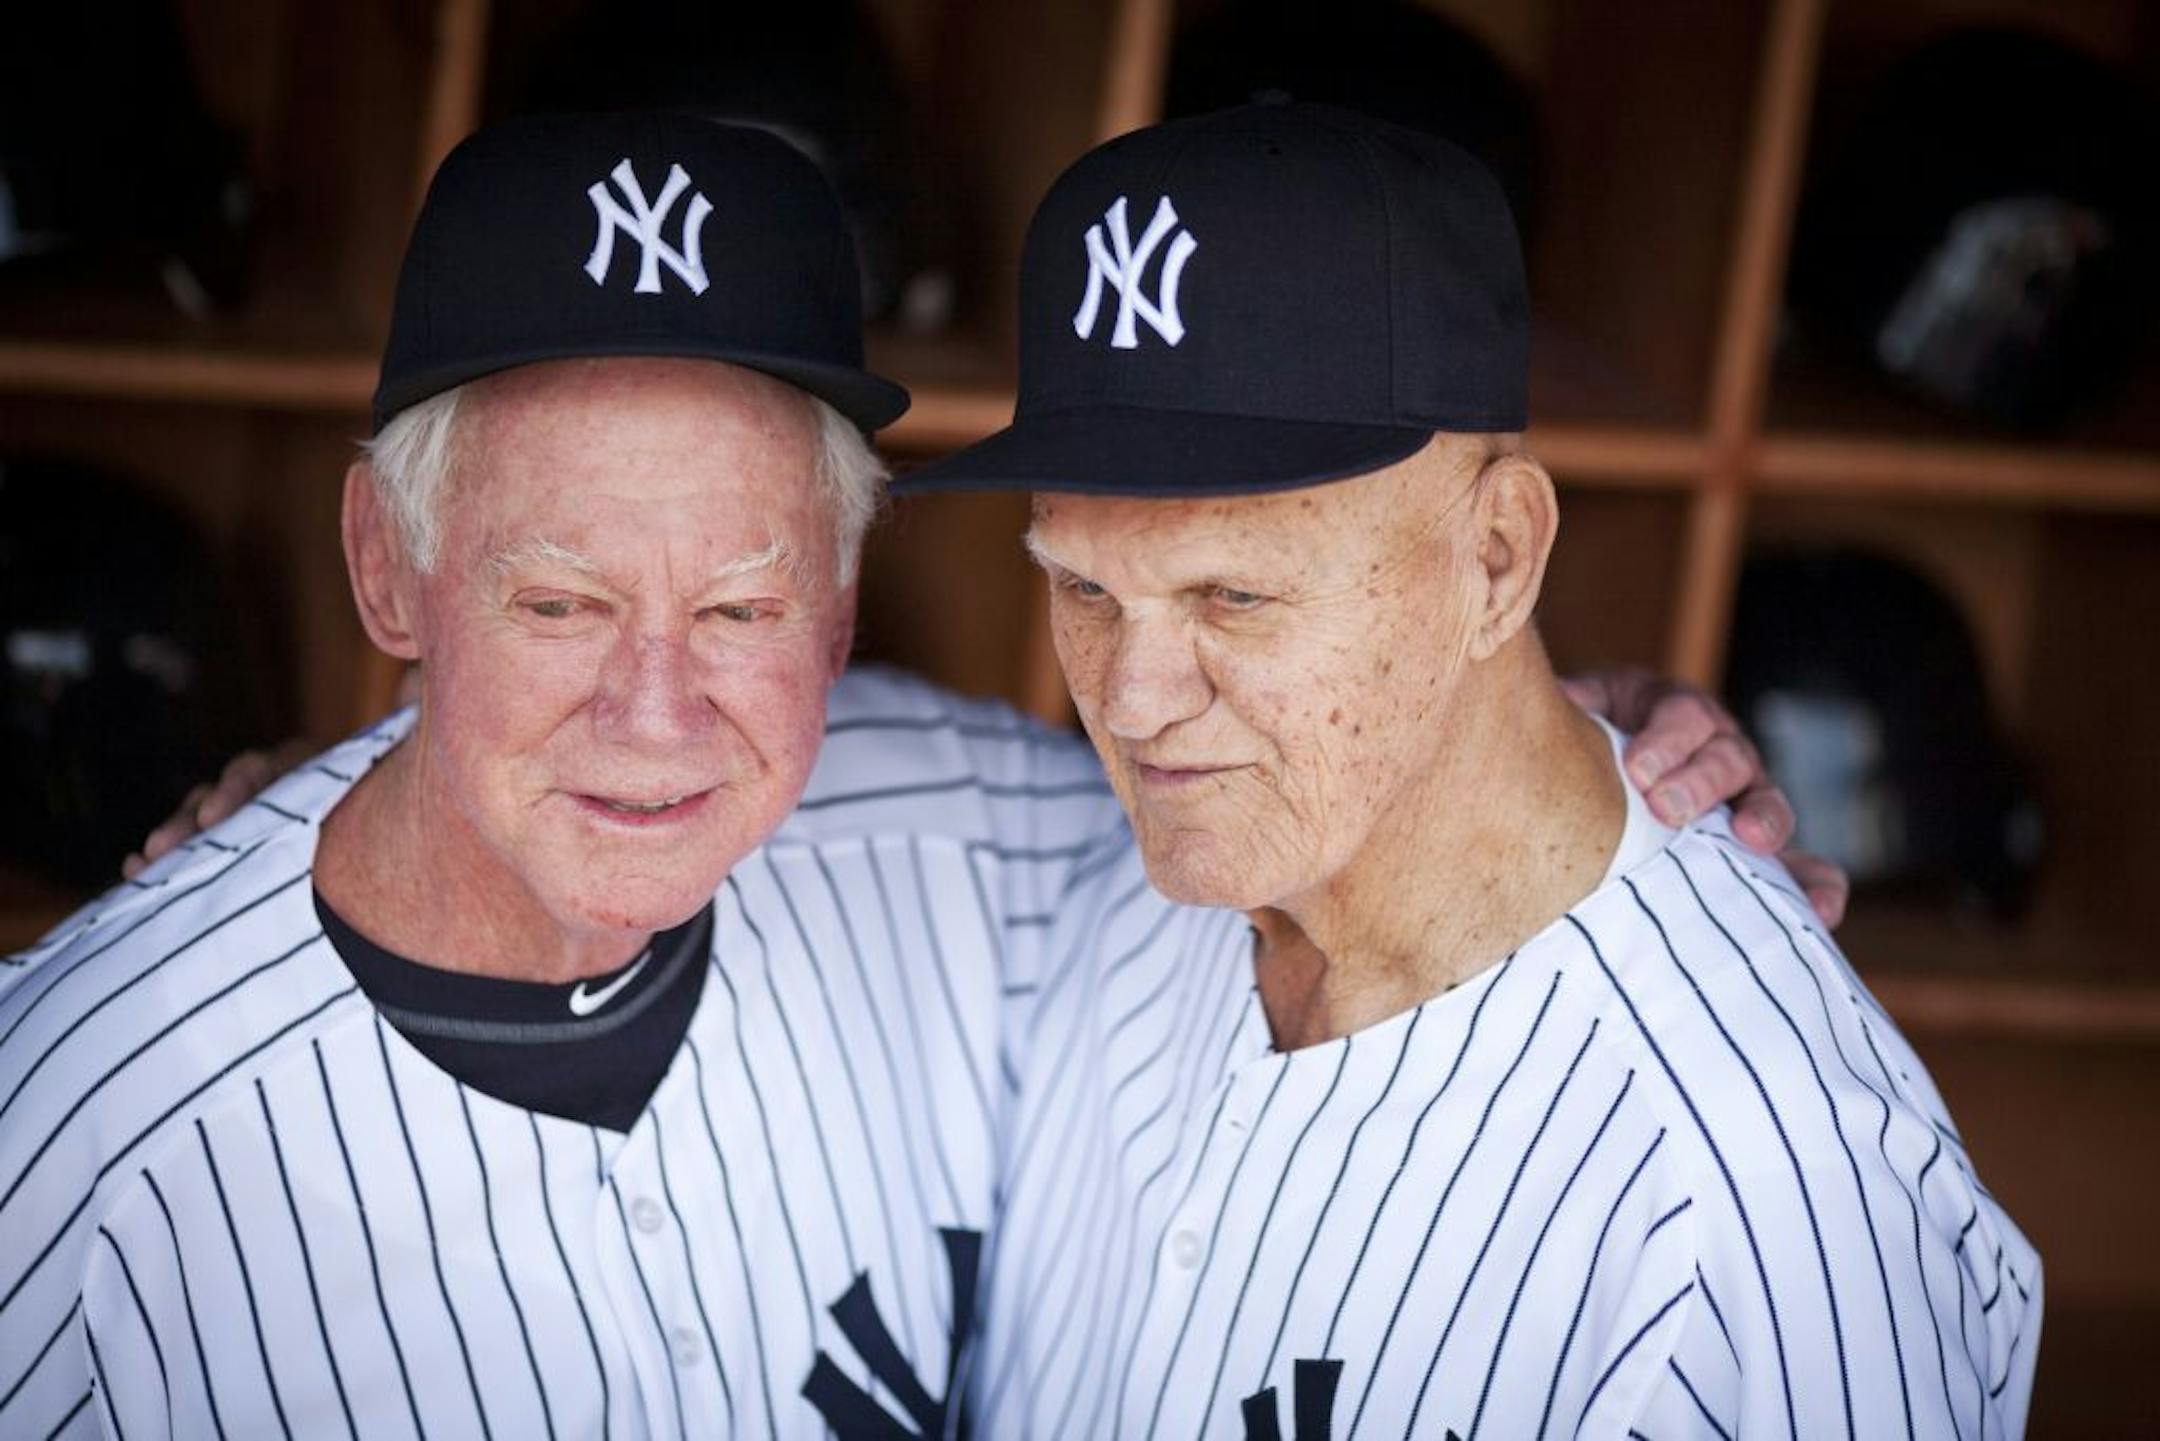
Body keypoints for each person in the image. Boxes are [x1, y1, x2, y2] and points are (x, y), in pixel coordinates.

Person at [13, 110, 1819, 1440]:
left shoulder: (1007, 842)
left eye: (741, 602)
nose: (654, 712)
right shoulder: (66, 1127)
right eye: (555, 600)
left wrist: (1545, 724)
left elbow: (1390, 793)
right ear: (387, 569)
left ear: (845, 602)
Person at [897, 100, 2040, 1438]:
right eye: (1085, 585)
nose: (1134, 704)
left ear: (1496, 558)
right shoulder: (1121, 872)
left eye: (1235, 596)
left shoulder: (1758, 1209)